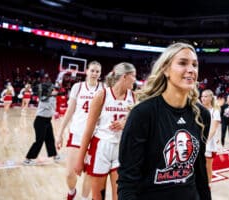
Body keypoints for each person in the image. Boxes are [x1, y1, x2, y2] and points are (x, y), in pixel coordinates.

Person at [117, 42, 211, 200]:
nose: (191, 70)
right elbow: (127, 181)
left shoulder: (201, 115)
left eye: (195, 65)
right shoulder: (142, 114)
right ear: (166, 70)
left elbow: (200, 174)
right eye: (182, 63)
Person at [74, 62, 136, 200]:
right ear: (124, 76)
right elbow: (89, 129)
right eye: (134, 76)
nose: (135, 80)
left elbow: (138, 123)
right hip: (101, 148)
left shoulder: (134, 97)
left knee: (120, 195)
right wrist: (80, 159)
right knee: (98, 196)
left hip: (122, 149)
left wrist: (126, 122)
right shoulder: (102, 95)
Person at [56, 60, 104, 200]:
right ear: (87, 71)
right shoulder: (78, 87)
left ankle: (83, 198)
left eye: (97, 71)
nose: (95, 73)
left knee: (89, 174)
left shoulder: (103, 89)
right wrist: (59, 134)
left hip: (95, 136)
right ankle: (72, 192)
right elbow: (70, 111)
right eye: (92, 70)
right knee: (70, 174)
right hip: (76, 134)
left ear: (100, 74)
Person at [23, 81, 60, 165]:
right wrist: (55, 113)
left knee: (50, 139)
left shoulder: (51, 97)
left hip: (47, 121)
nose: (56, 90)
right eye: (53, 89)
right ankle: (28, 159)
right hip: (40, 121)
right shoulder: (44, 99)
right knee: (39, 141)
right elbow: (51, 108)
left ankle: (54, 155)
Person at [201, 89, 221, 184]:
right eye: (202, 96)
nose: (203, 98)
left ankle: (208, 184)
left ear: (210, 98)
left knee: (208, 165)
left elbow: (213, 129)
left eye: (205, 96)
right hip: (199, 139)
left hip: (209, 142)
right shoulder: (199, 109)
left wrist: (204, 141)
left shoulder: (215, 111)